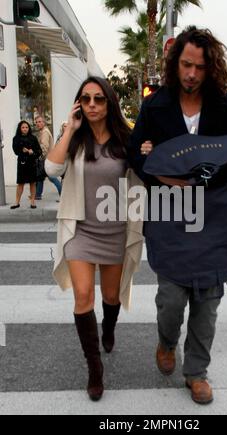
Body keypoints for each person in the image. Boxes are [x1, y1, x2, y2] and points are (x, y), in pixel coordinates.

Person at [128, 26, 227, 405]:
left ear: (209, 67)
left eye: (200, 67)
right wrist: (153, 162)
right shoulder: (155, 106)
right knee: (170, 297)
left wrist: (212, 173)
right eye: (186, 65)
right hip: (169, 212)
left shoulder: (225, 105)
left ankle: (196, 372)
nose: (191, 74)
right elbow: (136, 152)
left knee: (208, 302)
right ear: (175, 63)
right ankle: (167, 342)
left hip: (216, 215)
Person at [45, 76, 144, 402]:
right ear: (79, 104)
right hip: (81, 232)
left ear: (109, 103)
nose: (91, 105)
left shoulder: (125, 139)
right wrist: (70, 129)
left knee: (111, 296)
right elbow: (51, 169)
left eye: (98, 99)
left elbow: (145, 173)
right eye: (85, 99)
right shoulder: (75, 139)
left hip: (115, 232)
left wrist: (146, 151)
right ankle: (94, 367)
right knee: (83, 296)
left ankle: (109, 328)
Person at [10, 121, 42, 210]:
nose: (25, 129)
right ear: (20, 128)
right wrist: (22, 150)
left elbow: (39, 151)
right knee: (20, 183)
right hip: (22, 163)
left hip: (31, 163)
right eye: (23, 127)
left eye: (26, 127)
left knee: (32, 182)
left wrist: (33, 152)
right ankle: (17, 202)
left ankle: (32, 201)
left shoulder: (33, 138)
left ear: (29, 128)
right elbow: (15, 151)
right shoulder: (16, 138)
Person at [35, 116, 62, 200]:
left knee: (51, 177)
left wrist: (40, 156)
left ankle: (63, 194)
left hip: (46, 159)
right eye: (36, 122)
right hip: (46, 158)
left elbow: (44, 147)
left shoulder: (45, 132)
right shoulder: (43, 131)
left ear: (44, 123)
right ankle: (38, 195)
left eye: (40, 122)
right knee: (40, 177)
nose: (38, 124)